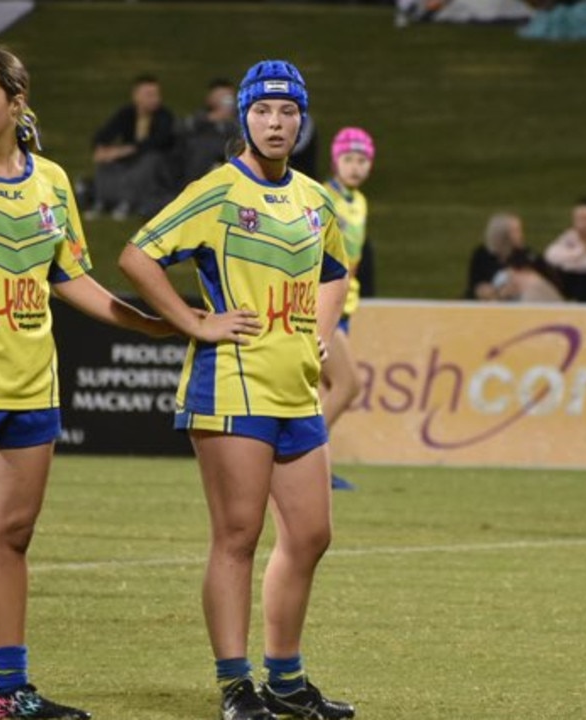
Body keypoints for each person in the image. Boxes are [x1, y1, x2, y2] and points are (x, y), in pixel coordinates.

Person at [0, 45, 172, 720]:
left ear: (17, 104)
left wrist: (147, 323)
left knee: (12, 535)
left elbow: (70, 276)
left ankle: (7, 691)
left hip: (34, 389)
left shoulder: (51, 182)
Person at [118, 59, 355, 720]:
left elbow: (335, 269)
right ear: (243, 117)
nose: (275, 123)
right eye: (263, 111)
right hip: (230, 387)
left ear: (302, 121)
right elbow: (137, 255)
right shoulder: (218, 190)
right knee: (237, 536)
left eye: (287, 112)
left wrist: (324, 330)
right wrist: (194, 319)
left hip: (296, 389)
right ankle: (234, 686)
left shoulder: (313, 198)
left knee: (310, 535)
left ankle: (285, 679)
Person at [319, 127, 376, 491]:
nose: (355, 167)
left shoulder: (360, 202)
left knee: (324, 389)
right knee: (348, 384)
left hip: (346, 305)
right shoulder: (323, 198)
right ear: (335, 160)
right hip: (323, 305)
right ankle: (298, 459)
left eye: (362, 160)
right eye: (349, 159)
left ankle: (316, 469)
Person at [89, 74, 176, 220]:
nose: (155, 99)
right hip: (130, 159)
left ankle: (128, 203)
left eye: (156, 94)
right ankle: (101, 201)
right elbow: (104, 134)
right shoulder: (127, 113)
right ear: (136, 96)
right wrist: (101, 149)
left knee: (148, 161)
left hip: (158, 164)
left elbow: (157, 142)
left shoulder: (164, 116)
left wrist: (122, 151)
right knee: (106, 162)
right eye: (149, 94)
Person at [465, 212, 562, 302]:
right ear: (502, 235)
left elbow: (551, 281)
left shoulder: (528, 256)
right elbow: (476, 286)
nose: (521, 235)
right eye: (516, 231)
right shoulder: (482, 255)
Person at [175, 77, 243, 189]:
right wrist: (210, 119)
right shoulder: (202, 116)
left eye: (228, 97)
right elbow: (181, 128)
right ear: (210, 99)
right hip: (201, 163)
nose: (225, 102)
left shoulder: (240, 118)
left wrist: (228, 121)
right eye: (220, 97)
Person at [543, 197, 586, 301]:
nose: (582, 224)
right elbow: (550, 255)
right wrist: (579, 252)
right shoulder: (569, 236)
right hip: (572, 281)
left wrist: (573, 260)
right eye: (578, 219)